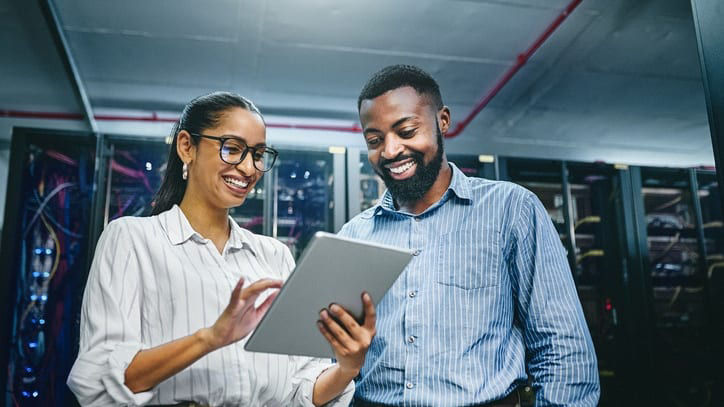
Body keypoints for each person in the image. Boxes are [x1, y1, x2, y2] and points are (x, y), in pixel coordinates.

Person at [67, 92, 376, 406]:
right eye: (232, 149)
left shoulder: (275, 256)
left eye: (257, 154)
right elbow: (104, 380)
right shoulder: (132, 240)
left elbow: (300, 389)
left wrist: (348, 367)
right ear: (187, 146)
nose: (248, 168)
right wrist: (210, 338)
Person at [338, 65, 600, 406]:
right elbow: (331, 359)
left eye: (406, 130)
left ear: (442, 121)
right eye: (374, 140)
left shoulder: (512, 210)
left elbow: (562, 349)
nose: (389, 151)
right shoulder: (354, 235)